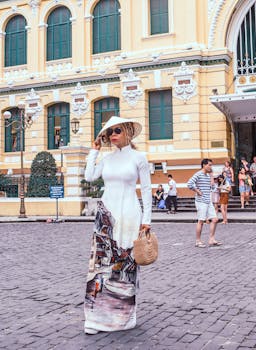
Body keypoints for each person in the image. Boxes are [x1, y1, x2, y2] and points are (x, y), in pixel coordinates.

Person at [83, 116, 151, 335]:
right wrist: (94, 150)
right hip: (106, 215)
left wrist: (147, 220)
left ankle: (125, 317)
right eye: (109, 132)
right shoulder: (107, 159)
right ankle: (95, 319)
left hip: (130, 212)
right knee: (100, 265)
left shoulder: (139, 157)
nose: (113, 136)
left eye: (117, 131)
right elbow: (89, 176)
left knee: (125, 263)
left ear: (128, 132)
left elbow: (147, 190)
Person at [187, 158, 220, 248]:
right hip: (201, 201)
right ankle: (198, 241)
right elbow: (189, 184)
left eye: (211, 165)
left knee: (215, 219)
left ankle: (211, 239)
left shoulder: (207, 176)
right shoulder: (198, 174)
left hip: (208, 201)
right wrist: (197, 191)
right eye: (209, 165)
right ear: (204, 165)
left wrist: (212, 177)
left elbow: (212, 188)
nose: (210, 167)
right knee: (201, 221)